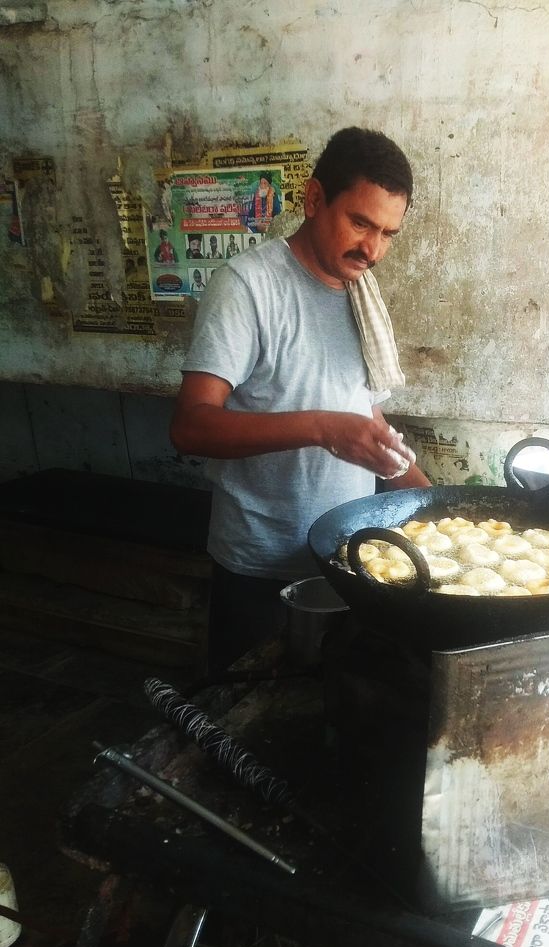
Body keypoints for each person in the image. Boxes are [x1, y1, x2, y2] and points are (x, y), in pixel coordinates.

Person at [170, 126, 430, 672]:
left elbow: (363, 414)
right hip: (261, 568)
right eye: (360, 223)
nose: (372, 249)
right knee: (248, 708)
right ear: (314, 199)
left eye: (388, 233)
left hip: (351, 560)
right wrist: (323, 429)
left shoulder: (361, 294)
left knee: (336, 705)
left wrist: (435, 504)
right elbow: (192, 426)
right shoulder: (247, 286)